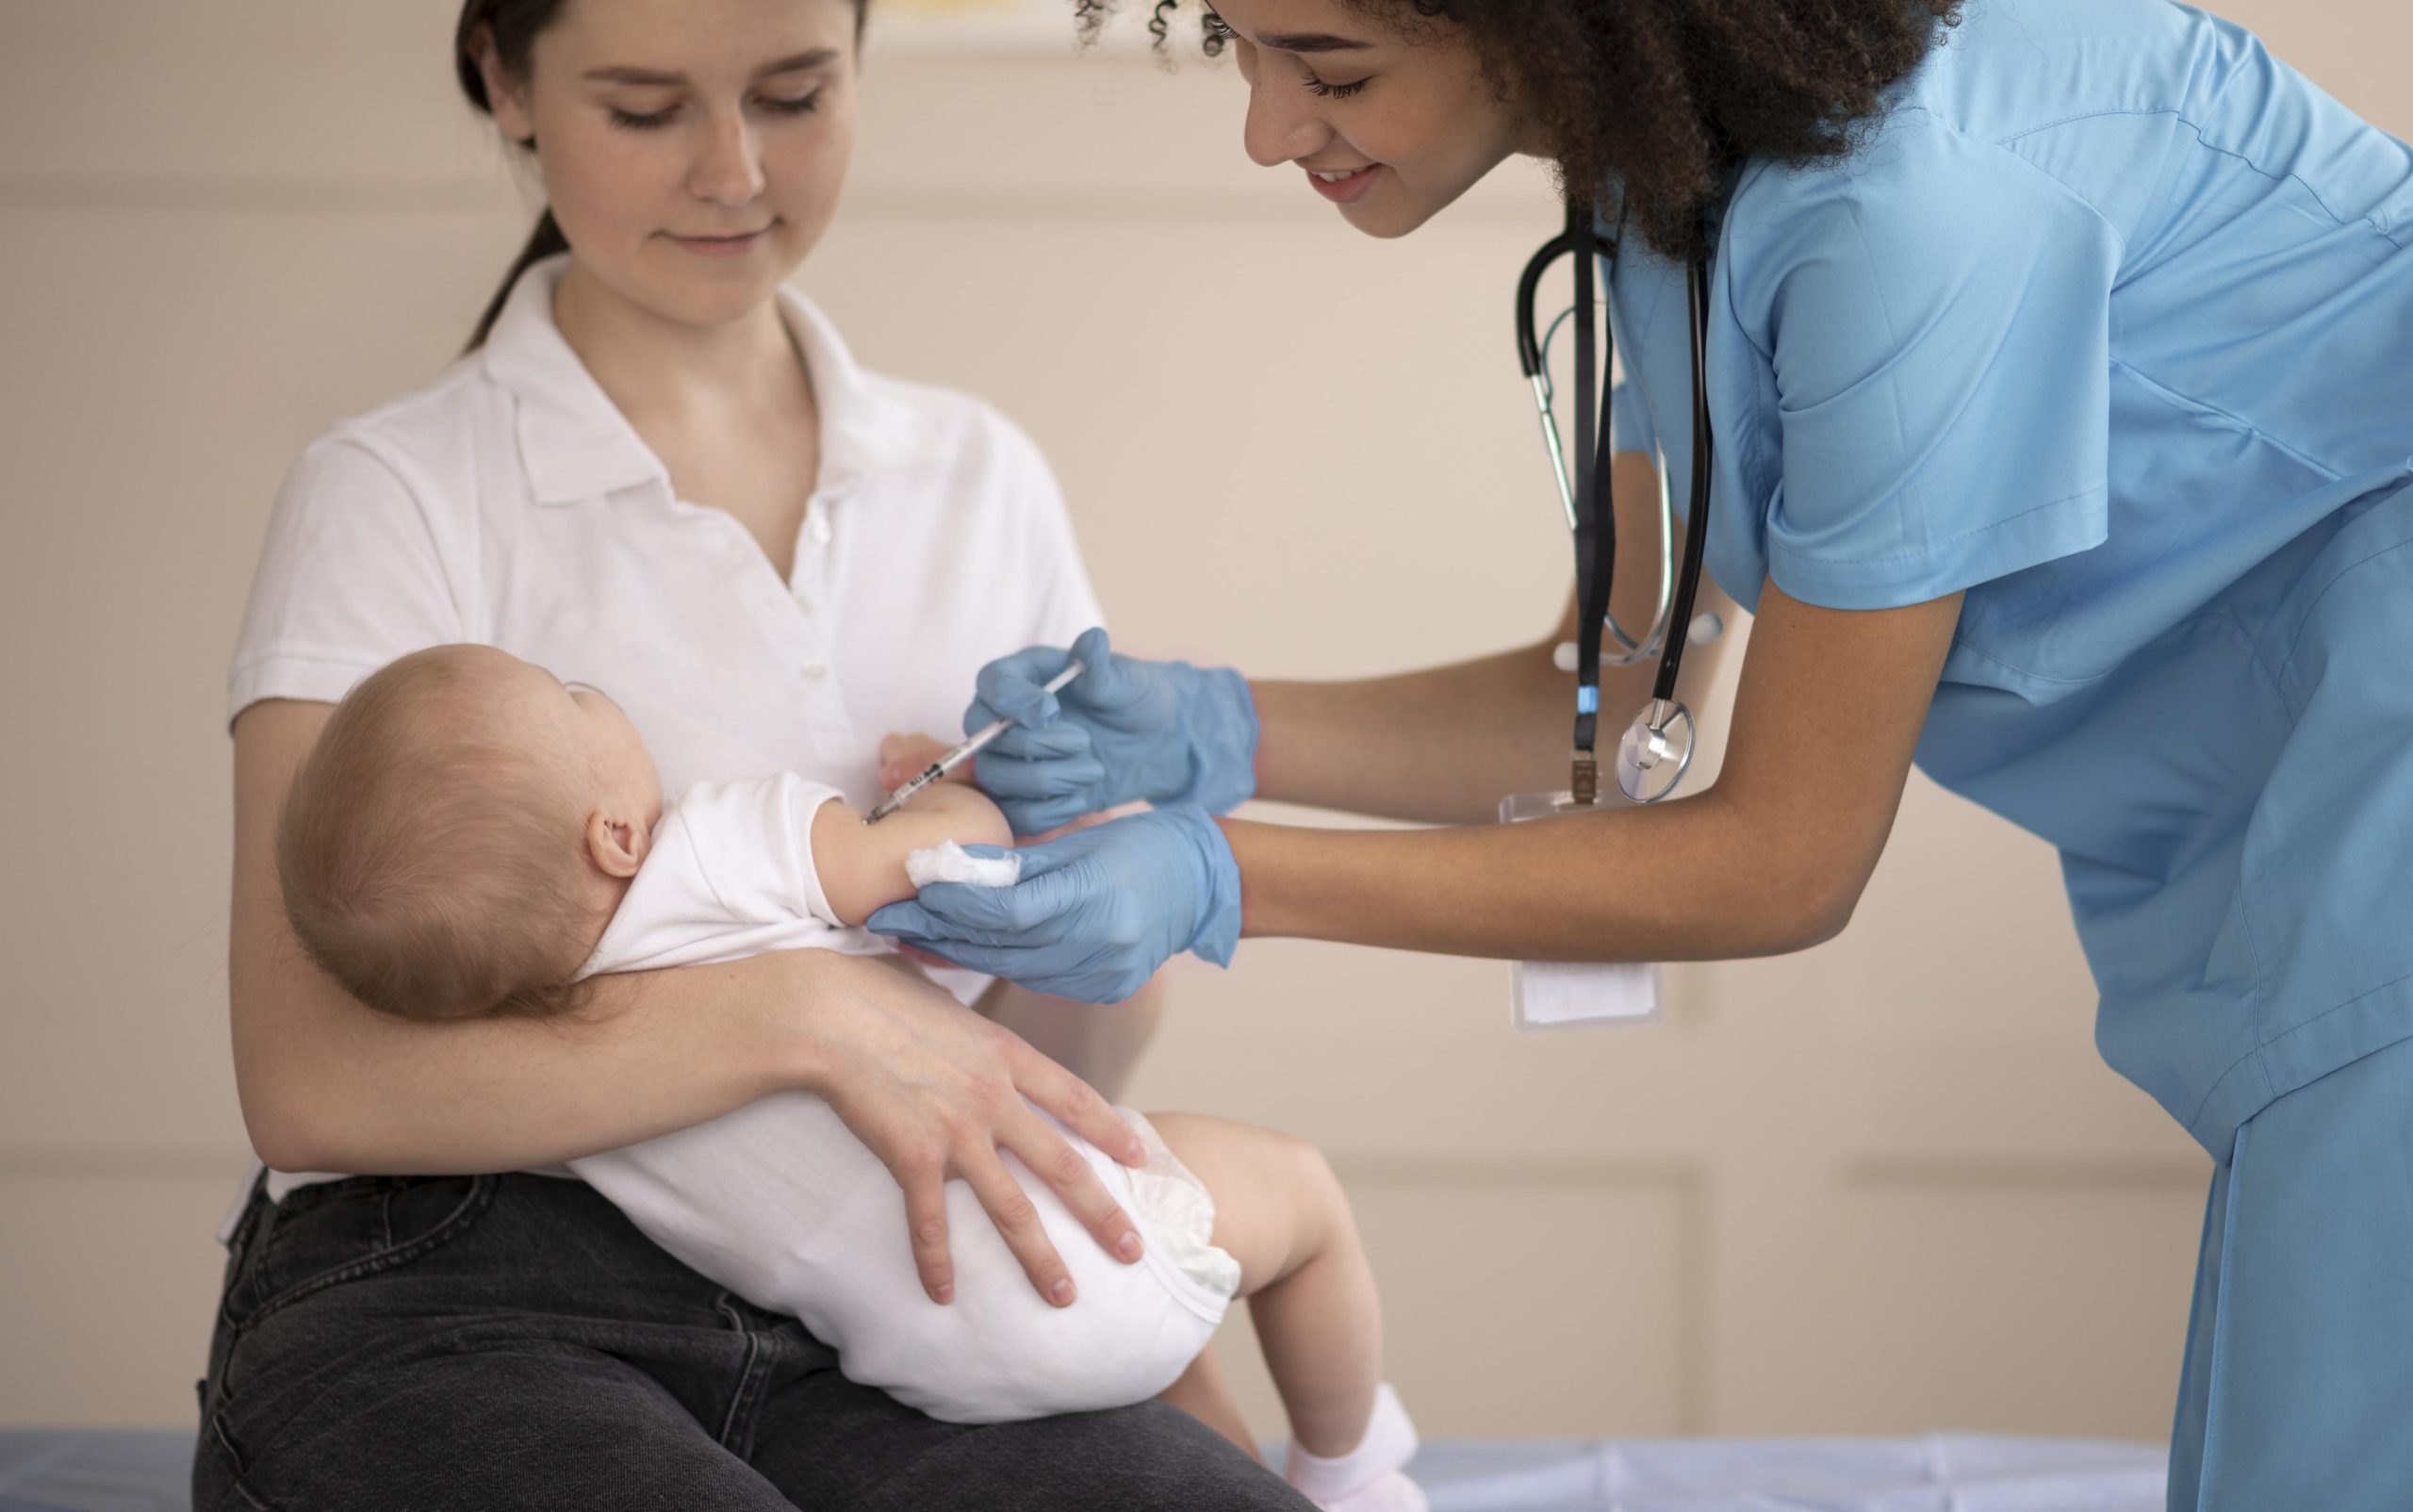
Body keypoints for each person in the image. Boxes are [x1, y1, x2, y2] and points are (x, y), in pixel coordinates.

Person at [866, 1, 2413, 1507]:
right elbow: (1599, 708)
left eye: (1328, 67)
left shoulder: (1911, 210)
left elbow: (1787, 856)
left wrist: (1217, 877)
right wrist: (1208, 724)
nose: (1268, 130)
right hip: (2294, 877)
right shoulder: (1679, 183)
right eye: (1240, 51)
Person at [195, 0, 1318, 1505]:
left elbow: (1048, 1064)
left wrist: (1074, 905)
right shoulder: (395, 491)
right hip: (466, 1279)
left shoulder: (976, 480)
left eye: (794, 94)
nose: (733, 172)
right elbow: (310, 1084)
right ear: (505, 84)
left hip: (892, 1300)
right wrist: (802, 1013)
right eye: (646, 111)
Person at [267, 642, 1429, 1512]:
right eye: (572, 697)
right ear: (614, 838)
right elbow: (947, 877)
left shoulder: (553, 1081)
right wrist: (942, 788)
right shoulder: (717, 846)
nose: (593, 690)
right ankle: (1355, 1471)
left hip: (933, 1360)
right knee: (1307, 1199)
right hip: (1085, 1260)